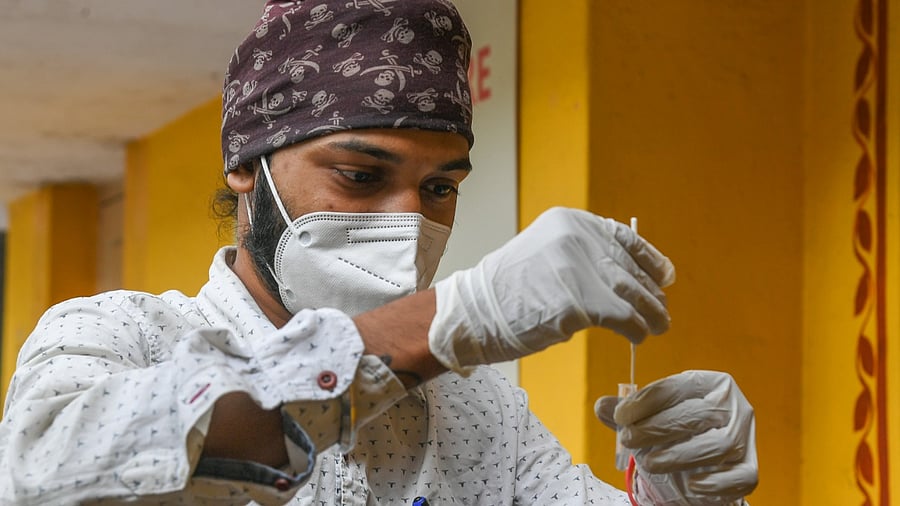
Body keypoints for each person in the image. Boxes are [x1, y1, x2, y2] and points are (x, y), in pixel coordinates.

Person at [0, 1, 758, 504]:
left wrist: (670, 492)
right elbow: (42, 478)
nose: (408, 224)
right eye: (362, 176)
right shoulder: (121, 338)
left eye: (438, 189)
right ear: (246, 167)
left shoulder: (475, 409)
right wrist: (443, 322)